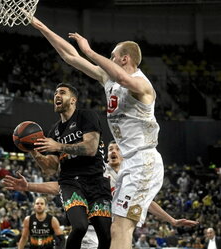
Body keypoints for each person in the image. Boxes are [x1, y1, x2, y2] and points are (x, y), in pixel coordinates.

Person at [23, 15, 182, 249]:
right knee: (115, 229)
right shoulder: (109, 79)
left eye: (112, 57)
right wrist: (40, 26)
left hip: (144, 159)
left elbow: (120, 76)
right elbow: (70, 56)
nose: (109, 60)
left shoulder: (142, 86)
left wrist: (89, 50)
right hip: (130, 162)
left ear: (124, 58)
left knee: (120, 228)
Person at [4, 141, 198, 248]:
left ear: (124, 155)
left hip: (116, 232)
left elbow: (147, 203)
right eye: (110, 149)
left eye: (117, 148)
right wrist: (29, 186)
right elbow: (60, 186)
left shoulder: (129, 178)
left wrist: (171, 220)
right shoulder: (97, 172)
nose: (113, 151)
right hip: (92, 229)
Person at [24, 83, 112, 249]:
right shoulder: (54, 131)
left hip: (96, 181)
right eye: (55, 93)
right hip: (70, 183)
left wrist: (58, 146)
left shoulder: (87, 116)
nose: (57, 95)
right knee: (80, 227)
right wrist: (33, 151)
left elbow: (91, 148)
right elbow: (50, 168)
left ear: (73, 100)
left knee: (106, 236)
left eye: (62, 93)